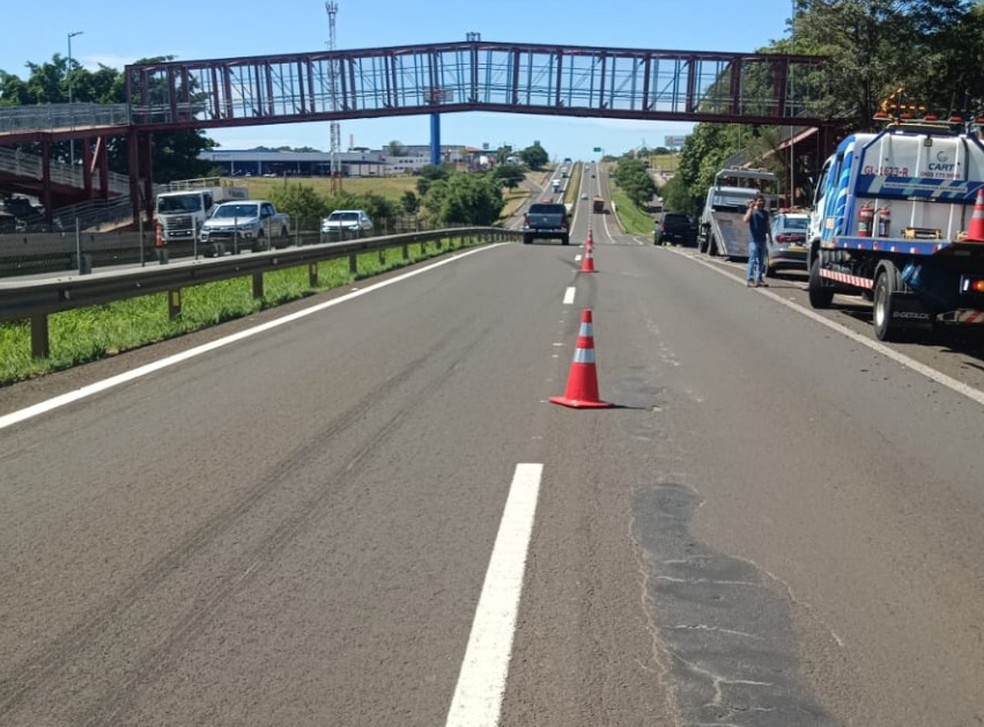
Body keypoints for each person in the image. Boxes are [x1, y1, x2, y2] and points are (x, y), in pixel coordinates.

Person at [743, 194, 771, 287]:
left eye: (763, 201)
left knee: (761, 260)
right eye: (759, 200)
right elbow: (745, 220)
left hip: (762, 239)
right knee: (752, 259)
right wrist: (750, 209)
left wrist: (770, 237)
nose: (761, 202)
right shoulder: (752, 212)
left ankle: (759, 279)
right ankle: (750, 279)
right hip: (753, 240)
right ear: (755, 201)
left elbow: (767, 226)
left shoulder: (765, 213)